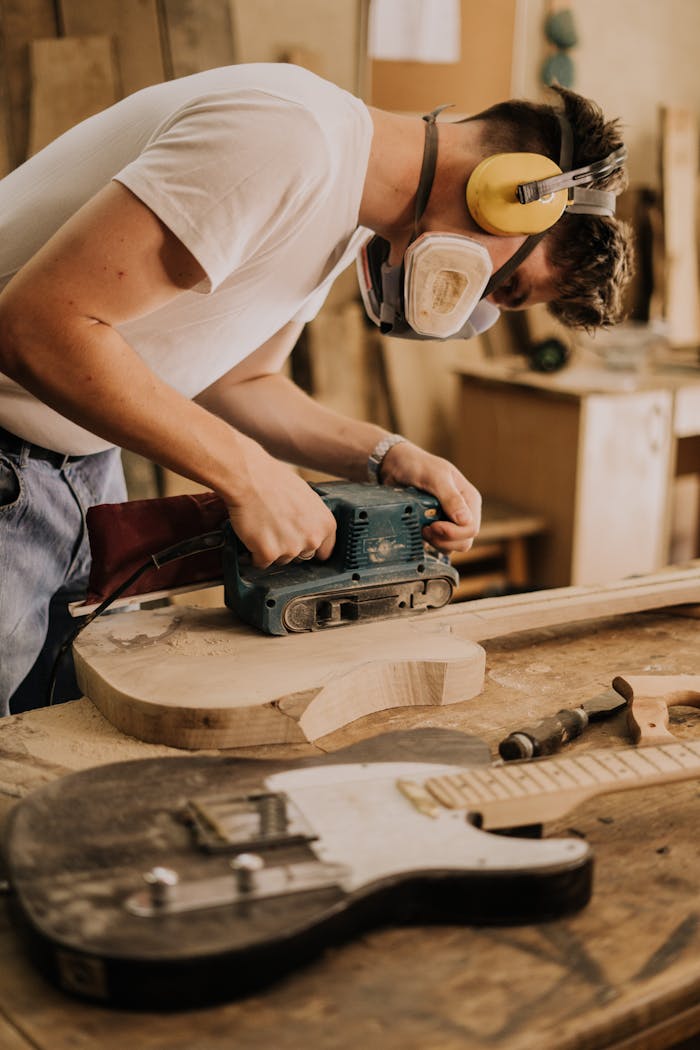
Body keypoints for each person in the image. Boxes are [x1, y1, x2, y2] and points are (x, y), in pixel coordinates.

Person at [0, 63, 633, 716]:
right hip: (8, 456)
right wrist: (249, 477)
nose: (478, 305)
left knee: (56, 730)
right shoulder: (285, 141)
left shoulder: (343, 209)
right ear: (510, 193)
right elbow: (39, 326)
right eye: (506, 288)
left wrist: (385, 454)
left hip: (69, 473)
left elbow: (241, 379)